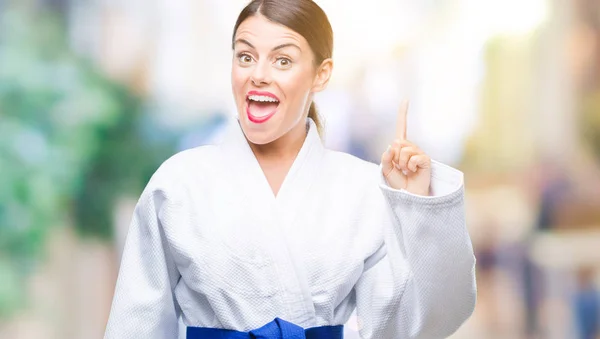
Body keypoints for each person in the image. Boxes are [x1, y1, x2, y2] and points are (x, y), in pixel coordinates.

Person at [103, 0, 477, 338]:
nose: (258, 74)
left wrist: (414, 205)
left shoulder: (362, 189)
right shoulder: (178, 184)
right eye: (245, 57)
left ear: (321, 74)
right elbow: (135, 326)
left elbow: (416, 324)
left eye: (282, 60)